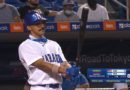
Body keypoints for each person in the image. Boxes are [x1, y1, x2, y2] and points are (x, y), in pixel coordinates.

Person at [18, 11, 80, 90]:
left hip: (59, 87)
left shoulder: (54, 44)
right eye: (37, 24)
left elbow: (63, 63)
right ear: (28, 27)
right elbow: (42, 65)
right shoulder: (26, 45)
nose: (42, 26)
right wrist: (66, 70)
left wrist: (72, 72)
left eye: (43, 23)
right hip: (40, 87)